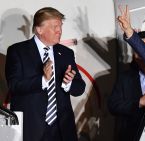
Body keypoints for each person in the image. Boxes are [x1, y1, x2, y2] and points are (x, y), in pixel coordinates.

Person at [5, 7, 85, 141]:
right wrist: (42, 80)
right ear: (39, 29)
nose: (59, 31)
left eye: (60, 26)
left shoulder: (66, 53)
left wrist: (68, 83)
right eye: (55, 27)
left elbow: (80, 87)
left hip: (63, 129)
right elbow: (14, 85)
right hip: (31, 129)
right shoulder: (17, 51)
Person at [108, 31, 145, 141]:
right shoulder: (125, 77)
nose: (141, 54)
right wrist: (139, 103)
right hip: (131, 135)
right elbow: (113, 105)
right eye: (137, 50)